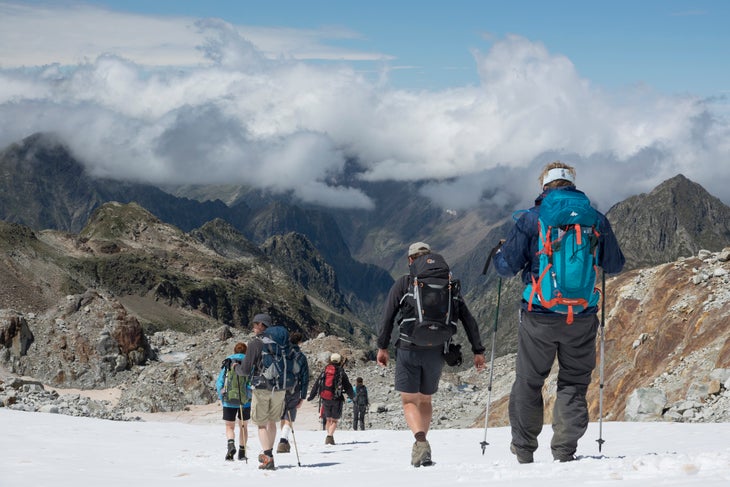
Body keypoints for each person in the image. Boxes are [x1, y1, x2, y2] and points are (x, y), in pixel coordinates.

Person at [492, 161, 625, 464]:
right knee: (574, 383)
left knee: (529, 381)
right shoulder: (595, 220)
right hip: (581, 315)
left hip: (539, 312)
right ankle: (564, 451)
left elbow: (506, 268)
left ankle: (524, 450)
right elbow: (615, 264)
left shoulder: (530, 219)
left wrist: (500, 253)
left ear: (544, 186)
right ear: (572, 184)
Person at [377, 242, 486, 467]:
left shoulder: (405, 283)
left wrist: (382, 347)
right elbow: (468, 319)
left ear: (410, 261)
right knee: (426, 399)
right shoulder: (448, 286)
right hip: (437, 350)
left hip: (408, 347)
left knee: (409, 400)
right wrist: (478, 350)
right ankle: (422, 443)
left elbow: (388, 316)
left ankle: (420, 441)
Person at [234, 312, 289, 470]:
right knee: (272, 421)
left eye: (255, 324)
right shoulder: (281, 342)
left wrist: (236, 367)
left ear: (261, 325)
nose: (253, 327)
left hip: (262, 387)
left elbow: (244, 370)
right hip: (280, 388)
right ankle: (269, 453)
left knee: (261, 424)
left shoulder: (255, 343)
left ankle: (268, 457)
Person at [307, 352, 354, 445]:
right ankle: (330, 436)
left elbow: (317, 384)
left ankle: (328, 435)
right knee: (334, 420)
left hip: (325, 398)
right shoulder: (341, 372)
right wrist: (353, 397)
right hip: (337, 399)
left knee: (328, 419)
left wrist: (311, 396)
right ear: (340, 361)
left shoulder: (325, 371)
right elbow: (347, 386)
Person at [215, 342, 250, 461]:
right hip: (245, 401)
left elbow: (220, 381)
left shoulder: (227, 362)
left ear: (234, 351)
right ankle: (242, 452)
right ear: (246, 352)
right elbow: (251, 382)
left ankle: (230, 445)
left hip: (228, 400)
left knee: (230, 426)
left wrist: (221, 396)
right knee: (243, 426)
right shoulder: (249, 362)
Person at [276, 332, 310, 453]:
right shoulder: (301, 357)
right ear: (300, 342)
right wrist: (303, 396)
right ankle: (283, 440)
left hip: (280, 388)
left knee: (283, 415)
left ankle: (284, 440)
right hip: (294, 389)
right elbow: (305, 378)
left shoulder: (282, 354)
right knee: (289, 415)